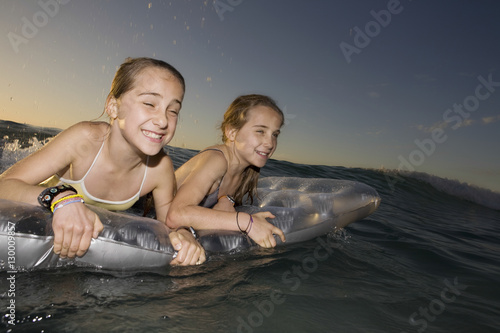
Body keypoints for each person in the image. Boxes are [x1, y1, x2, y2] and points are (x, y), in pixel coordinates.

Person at [0, 57, 205, 266]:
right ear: (113, 107)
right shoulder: (85, 140)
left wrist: (184, 234)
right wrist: (61, 197)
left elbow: (168, 222)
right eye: (149, 103)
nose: (163, 120)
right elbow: (4, 184)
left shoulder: (160, 168)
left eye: (173, 111)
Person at [166, 94, 286, 248]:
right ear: (232, 132)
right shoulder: (217, 160)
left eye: (275, 134)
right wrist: (246, 222)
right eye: (260, 131)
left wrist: (226, 200)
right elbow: (175, 215)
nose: (270, 143)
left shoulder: (246, 171)